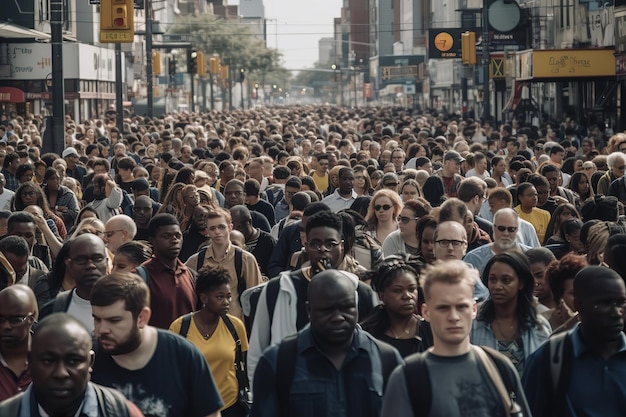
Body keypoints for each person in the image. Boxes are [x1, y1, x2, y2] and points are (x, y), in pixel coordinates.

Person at [381, 260, 531, 417]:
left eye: (461, 307)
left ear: (474, 309)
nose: (453, 317)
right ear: (426, 312)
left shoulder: (500, 367)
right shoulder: (408, 377)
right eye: (443, 308)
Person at [246, 210, 379, 383]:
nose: (323, 250)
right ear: (306, 246)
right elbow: (257, 350)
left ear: (342, 245)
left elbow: (374, 350)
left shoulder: (361, 292)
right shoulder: (277, 289)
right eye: (316, 244)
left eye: (330, 244)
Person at [250, 269, 402, 417]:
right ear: (309, 311)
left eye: (346, 308)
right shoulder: (278, 362)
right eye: (327, 310)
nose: (338, 317)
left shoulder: (386, 359)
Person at [90, 273, 223, 417]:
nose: (102, 329)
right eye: (97, 319)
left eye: (114, 320)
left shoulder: (183, 355)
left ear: (142, 318)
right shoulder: (85, 359)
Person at [523, 266, 626, 417]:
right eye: (604, 303)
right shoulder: (549, 359)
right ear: (578, 306)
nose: (616, 313)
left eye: (621, 302)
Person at [0, 313, 144, 417]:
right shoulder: (6, 412)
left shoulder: (123, 412)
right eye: (48, 361)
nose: (61, 373)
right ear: (30, 361)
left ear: (90, 362)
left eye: (73, 361)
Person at [169, 267, 249, 417]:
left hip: (230, 405)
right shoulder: (180, 327)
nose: (226, 302)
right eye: (220, 297)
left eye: (229, 296)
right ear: (204, 298)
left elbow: (245, 363)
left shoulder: (235, 326)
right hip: (193, 407)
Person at [471, 252, 551, 375]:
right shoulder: (474, 324)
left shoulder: (538, 327)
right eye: (493, 279)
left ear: (521, 283)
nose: (497, 286)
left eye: (506, 280)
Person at [185, 208, 264, 320]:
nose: (217, 232)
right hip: (204, 327)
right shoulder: (196, 260)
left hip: (236, 328)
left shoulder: (245, 259)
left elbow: (256, 296)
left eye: (221, 227)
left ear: (230, 227)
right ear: (207, 231)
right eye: (212, 228)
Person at [360, 255, 433, 357]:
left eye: (412, 289)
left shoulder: (430, 330)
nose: (407, 296)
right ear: (382, 296)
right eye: (397, 290)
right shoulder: (367, 333)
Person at [39, 234, 109, 335]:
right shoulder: (53, 309)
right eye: (81, 260)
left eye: (97, 258)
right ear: (70, 265)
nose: (90, 265)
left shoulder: (128, 305)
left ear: (106, 262)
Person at [138, 214, 196, 329]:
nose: (174, 240)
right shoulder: (141, 276)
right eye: (166, 236)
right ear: (152, 241)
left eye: (178, 236)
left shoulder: (191, 275)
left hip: (188, 345)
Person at [464, 208, 532, 275]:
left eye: (511, 229)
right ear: (493, 228)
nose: (506, 233)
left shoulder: (530, 256)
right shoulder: (474, 258)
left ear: (517, 230)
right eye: (501, 228)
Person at [0, 285, 37, 401]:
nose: (6, 326)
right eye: (0, 319)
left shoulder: (47, 359)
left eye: (15, 320)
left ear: (31, 320)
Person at [230, 205, 277, 277]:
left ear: (250, 222)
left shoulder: (268, 242)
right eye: (232, 227)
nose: (236, 230)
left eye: (239, 227)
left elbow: (274, 269)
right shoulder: (230, 240)